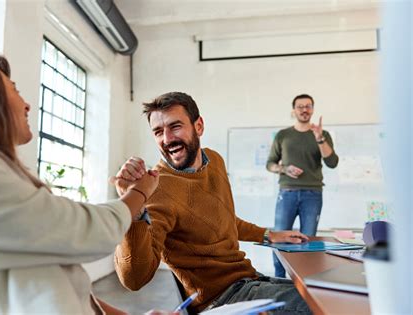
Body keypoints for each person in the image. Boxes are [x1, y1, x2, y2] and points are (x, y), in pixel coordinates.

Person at [0, 52, 160, 315]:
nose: (27, 104)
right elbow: (87, 232)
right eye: (14, 89)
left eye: (175, 127)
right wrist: (139, 194)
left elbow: (60, 286)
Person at [110, 92, 312, 314]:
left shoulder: (214, 160)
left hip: (248, 280)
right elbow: (133, 279)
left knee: (323, 295)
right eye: (158, 132)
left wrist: (267, 234)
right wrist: (134, 209)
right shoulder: (156, 189)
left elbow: (222, 218)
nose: (167, 139)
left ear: (198, 126)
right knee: (322, 307)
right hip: (219, 300)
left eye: (175, 126)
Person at [266, 94, 339, 278]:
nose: (304, 109)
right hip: (287, 193)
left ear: (313, 109)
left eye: (308, 106)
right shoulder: (283, 135)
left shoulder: (322, 135)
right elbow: (270, 164)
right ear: (294, 110)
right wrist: (284, 169)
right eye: (300, 106)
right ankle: (278, 281)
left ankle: (305, 284)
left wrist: (320, 138)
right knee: (279, 239)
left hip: (313, 194)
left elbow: (332, 162)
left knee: (308, 242)